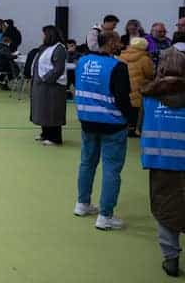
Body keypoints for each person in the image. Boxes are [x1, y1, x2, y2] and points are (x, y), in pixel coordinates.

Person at [73, 30, 132, 230]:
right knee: (111, 169)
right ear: (110, 43)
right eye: (117, 41)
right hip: (113, 124)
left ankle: (82, 204)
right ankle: (105, 216)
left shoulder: (82, 62)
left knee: (87, 163)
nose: (120, 44)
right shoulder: (118, 66)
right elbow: (123, 98)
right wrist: (130, 120)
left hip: (87, 121)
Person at [139, 49, 185, 277]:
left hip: (161, 162)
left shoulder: (149, 97)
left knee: (165, 208)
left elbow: (140, 128)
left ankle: (171, 259)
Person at [30, 26, 68, 146]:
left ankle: (55, 137)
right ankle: (45, 134)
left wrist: (46, 78)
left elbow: (58, 69)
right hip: (41, 85)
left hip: (52, 86)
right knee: (42, 110)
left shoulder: (59, 49)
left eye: (44, 34)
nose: (42, 37)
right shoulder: (44, 48)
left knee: (52, 111)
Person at [118, 36, 154, 137]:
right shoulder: (145, 59)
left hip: (124, 88)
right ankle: (135, 129)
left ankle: (125, 127)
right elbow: (150, 74)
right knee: (137, 111)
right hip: (138, 89)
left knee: (126, 108)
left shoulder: (121, 56)